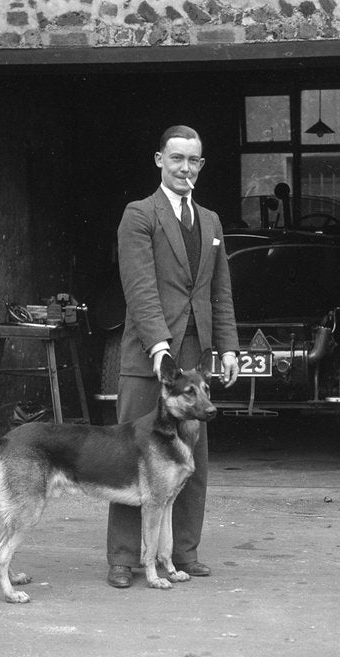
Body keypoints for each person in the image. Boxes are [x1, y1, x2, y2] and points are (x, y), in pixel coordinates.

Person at [106, 125, 240, 589]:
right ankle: (124, 558)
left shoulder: (212, 221)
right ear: (159, 160)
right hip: (150, 357)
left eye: (194, 161)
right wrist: (160, 347)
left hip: (196, 357)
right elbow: (140, 287)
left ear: (201, 166)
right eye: (177, 158)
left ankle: (183, 552)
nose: (186, 168)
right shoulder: (139, 215)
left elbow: (219, 291)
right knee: (133, 459)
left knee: (191, 460)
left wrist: (227, 348)